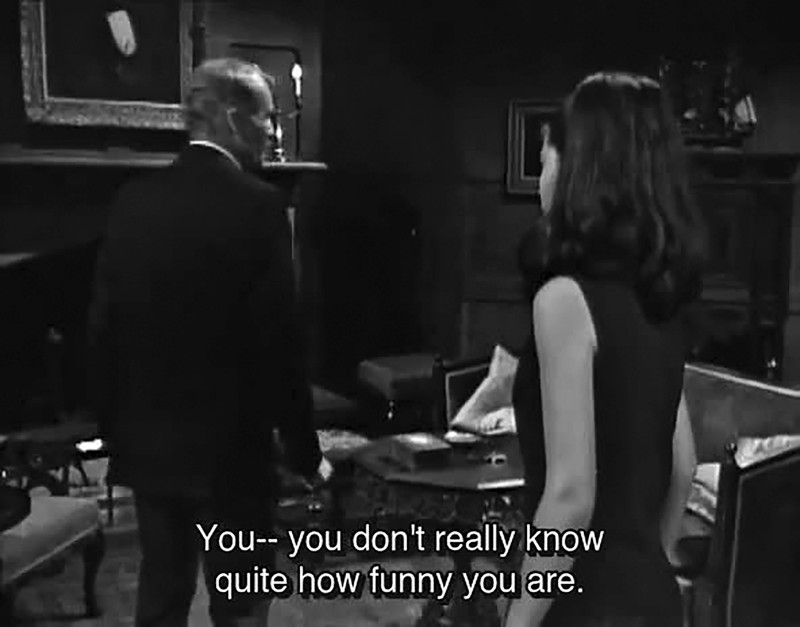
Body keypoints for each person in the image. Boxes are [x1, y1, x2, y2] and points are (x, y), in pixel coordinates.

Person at [86, 58, 332, 626]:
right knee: (242, 603)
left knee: (161, 596)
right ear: (233, 117)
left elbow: (102, 329)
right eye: (267, 118)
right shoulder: (259, 206)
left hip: (150, 451)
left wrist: (114, 431)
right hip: (233, 459)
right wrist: (305, 453)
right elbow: (280, 345)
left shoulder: (132, 201)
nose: (272, 132)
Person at [504, 72, 703, 627]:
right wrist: (646, 568)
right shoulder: (660, 296)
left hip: (584, 604)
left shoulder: (564, 299)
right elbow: (683, 465)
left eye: (545, 158)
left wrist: (518, 621)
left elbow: (569, 498)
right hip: (652, 598)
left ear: (578, 167)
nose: (542, 179)